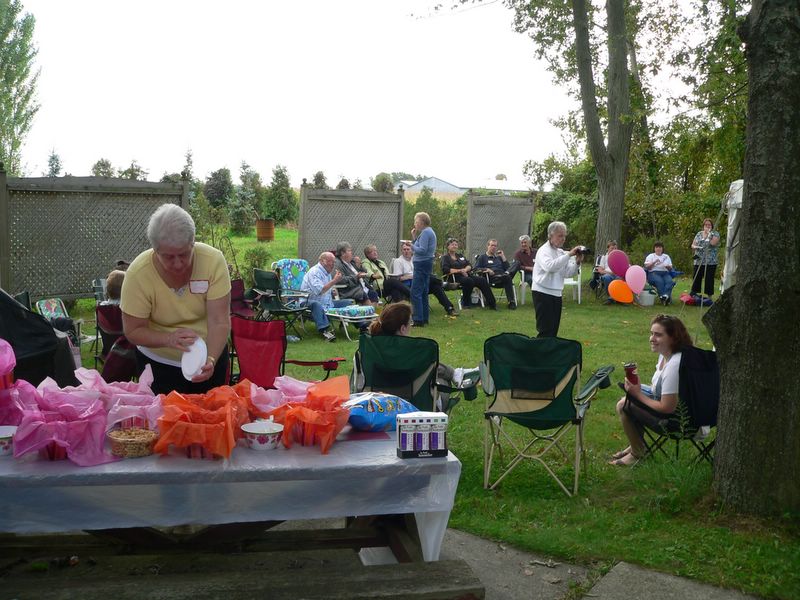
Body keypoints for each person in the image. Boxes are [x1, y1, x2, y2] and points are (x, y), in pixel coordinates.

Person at [120, 203, 231, 395]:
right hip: (158, 364)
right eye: (169, 257)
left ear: (193, 243)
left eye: (184, 254)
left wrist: (211, 359)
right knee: (164, 413)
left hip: (208, 358)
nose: (178, 264)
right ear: (155, 250)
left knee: (211, 411)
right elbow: (133, 330)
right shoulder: (138, 274)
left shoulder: (213, 262)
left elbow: (219, 321)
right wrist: (168, 339)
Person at [610, 314, 693, 466]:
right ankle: (636, 444)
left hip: (680, 422)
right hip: (674, 408)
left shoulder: (674, 365)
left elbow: (667, 408)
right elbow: (659, 391)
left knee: (623, 405)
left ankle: (637, 453)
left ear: (673, 338)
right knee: (629, 394)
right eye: (651, 333)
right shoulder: (665, 355)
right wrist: (636, 389)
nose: (651, 338)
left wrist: (638, 394)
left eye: (658, 335)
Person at [368, 302, 476, 392]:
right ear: (402, 329)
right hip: (412, 400)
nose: (411, 326)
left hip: (377, 401)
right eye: (410, 322)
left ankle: (455, 373)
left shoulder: (370, 348)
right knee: (441, 380)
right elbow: (431, 368)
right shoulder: (411, 351)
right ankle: (455, 374)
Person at [531, 221, 584, 337]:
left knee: (554, 329)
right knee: (545, 329)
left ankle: (550, 348)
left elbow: (567, 273)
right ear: (550, 235)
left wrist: (577, 263)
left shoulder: (560, 252)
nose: (563, 239)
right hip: (542, 292)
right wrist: (568, 255)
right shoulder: (543, 250)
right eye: (560, 236)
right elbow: (550, 267)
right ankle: (540, 348)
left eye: (564, 236)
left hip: (556, 292)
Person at [392, 241, 456, 316]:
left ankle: (449, 308)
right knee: (428, 278)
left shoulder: (415, 259)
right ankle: (444, 284)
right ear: (401, 251)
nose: (406, 251)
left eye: (408, 249)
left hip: (420, 283)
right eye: (404, 249)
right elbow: (398, 279)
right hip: (409, 285)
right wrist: (413, 276)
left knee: (436, 287)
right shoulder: (398, 261)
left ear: (412, 250)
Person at [300, 252, 353, 342]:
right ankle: (325, 331)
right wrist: (334, 281)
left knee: (348, 303)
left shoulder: (327, 273)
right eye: (330, 261)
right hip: (308, 302)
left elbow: (326, 289)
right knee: (316, 304)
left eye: (334, 262)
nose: (333, 264)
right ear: (322, 261)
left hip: (326, 303)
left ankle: (364, 327)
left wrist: (331, 292)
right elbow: (320, 291)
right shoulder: (314, 272)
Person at [440, 238, 496, 309]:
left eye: (456, 245)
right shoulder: (445, 257)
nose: (454, 246)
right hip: (454, 278)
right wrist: (460, 271)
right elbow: (446, 269)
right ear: (448, 246)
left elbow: (469, 265)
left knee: (482, 280)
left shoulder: (460, 256)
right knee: (469, 281)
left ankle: (492, 303)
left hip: (466, 275)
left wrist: (465, 270)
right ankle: (465, 303)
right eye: (452, 245)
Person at [409, 212, 436, 326]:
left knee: (415, 292)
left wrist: (410, 245)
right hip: (426, 263)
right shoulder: (429, 232)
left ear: (422, 222)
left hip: (421, 263)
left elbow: (422, 250)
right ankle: (424, 318)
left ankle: (418, 319)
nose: (415, 224)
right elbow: (420, 246)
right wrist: (414, 237)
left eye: (416, 221)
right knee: (424, 291)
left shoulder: (425, 232)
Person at [474, 239, 517, 310]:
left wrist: (503, 256)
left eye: (495, 246)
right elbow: (476, 269)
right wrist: (487, 269)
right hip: (492, 278)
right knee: (508, 277)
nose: (494, 247)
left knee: (516, 263)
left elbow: (508, 268)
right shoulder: (482, 257)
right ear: (488, 246)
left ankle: (511, 302)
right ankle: (511, 302)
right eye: (492, 245)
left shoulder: (499, 258)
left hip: (503, 276)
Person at [690, 218, 721, 298]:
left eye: (709, 225)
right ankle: (694, 295)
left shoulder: (715, 234)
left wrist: (708, 234)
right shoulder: (699, 234)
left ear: (712, 226)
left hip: (710, 261)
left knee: (709, 279)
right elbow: (693, 245)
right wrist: (696, 247)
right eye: (706, 225)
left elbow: (713, 243)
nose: (707, 226)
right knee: (696, 277)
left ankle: (709, 297)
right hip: (698, 260)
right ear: (703, 226)